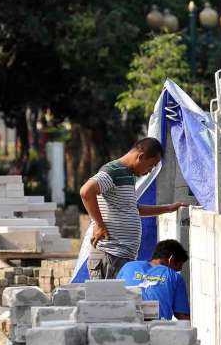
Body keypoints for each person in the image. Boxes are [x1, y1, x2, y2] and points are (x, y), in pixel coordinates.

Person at [79, 137, 188, 279]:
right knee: (109, 300)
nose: (149, 171)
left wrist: (168, 208)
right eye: (151, 165)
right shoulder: (114, 171)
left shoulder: (128, 176)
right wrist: (99, 225)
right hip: (110, 255)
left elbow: (133, 209)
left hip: (122, 257)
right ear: (141, 157)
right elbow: (86, 191)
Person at [117, 239, 190, 320]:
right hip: (156, 329)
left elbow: (114, 296)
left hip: (124, 323)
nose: (176, 271)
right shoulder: (174, 277)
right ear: (171, 259)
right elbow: (183, 317)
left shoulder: (128, 266)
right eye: (177, 268)